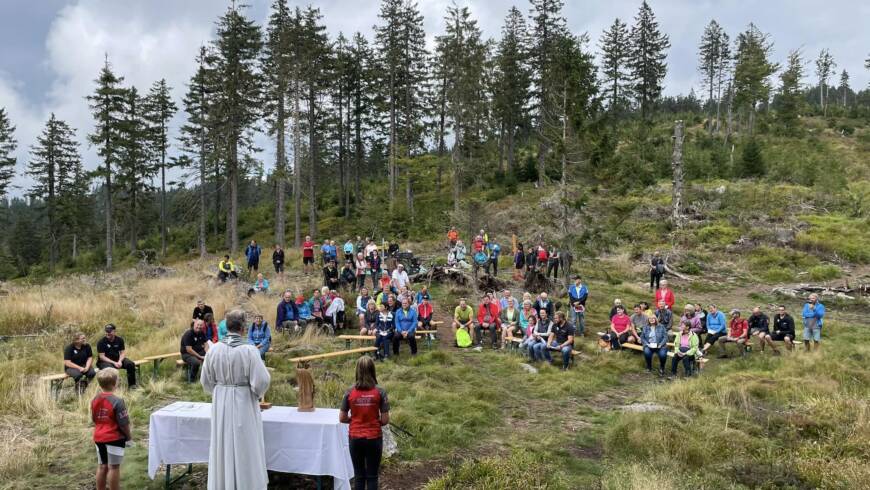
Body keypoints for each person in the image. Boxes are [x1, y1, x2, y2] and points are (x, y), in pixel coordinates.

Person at [201, 310, 271, 490]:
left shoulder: (214, 350)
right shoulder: (249, 351)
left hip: (221, 400)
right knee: (245, 443)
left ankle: (223, 484)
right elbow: (261, 381)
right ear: (242, 327)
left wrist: (220, 391)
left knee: (222, 442)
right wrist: (254, 393)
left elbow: (206, 382)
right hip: (244, 400)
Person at [339, 356, 390, 490]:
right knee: (372, 476)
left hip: (355, 438)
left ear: (357, 371)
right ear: (372, 370)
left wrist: (355, 420)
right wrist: (373, 420)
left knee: (359, 476)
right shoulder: (380, 392)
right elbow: (385, 420)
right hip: (374, 438)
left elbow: (342, 418)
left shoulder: (349, 392)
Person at [91, 368, 131, 490]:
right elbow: (123, 423)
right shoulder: (118, 401)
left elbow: (94, 419)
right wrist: (128, 437)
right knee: (114, 467)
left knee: (102, 465)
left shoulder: (94, 399)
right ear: (115, 383)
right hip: (115, 438)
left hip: (98, 437)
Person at [97, 325, 136, 389]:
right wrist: (114, 363)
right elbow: (102, 357)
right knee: (112, 370)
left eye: (109, 331)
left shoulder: (119, 340)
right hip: (104, 361)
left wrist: (120, 361)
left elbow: (122, 353)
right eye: (106, 331)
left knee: (130, 364)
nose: (107, 333)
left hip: (117, 359)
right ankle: (114, 388)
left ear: (114, 331)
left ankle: (132, 385)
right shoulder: (101, 342)